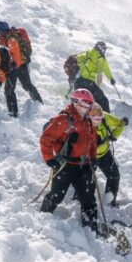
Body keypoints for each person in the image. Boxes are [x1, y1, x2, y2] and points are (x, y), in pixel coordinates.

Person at [38, 89, 100, 231]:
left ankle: (91, 228)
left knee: (88, 198)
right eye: (84, 103)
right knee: (56, 195)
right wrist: (49, 158)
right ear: (76, 102)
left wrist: (93, 158)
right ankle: (42, 218)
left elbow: (92, 141)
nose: (87, 107)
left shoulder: (87, 121)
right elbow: (46, 139)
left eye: (89, 104)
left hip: (83, 165)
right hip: (65, 164)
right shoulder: (64, 120)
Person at [0, 21, 42, 113]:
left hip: (15, 65)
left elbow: (14, 53)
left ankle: (13, 112)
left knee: (9, 90)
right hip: (21, 64)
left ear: (4, 30)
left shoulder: (11, 39)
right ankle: (38, 101)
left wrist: (13, 66)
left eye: (0, 31)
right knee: (26, 85)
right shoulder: (8, 37)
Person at [89, 104, 128, 207]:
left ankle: (109, 202)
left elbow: (120, 123)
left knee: (114, 176)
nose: (98, 121)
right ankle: (80, 201)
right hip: (89, 158)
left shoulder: (105, 117)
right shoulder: (84, 123)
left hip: (105, 154)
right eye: (95, 119)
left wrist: (114, 135)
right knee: (86, 181)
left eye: (100, 118)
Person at [72, 41, 116, 111]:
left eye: (105, 49)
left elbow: (106, 69)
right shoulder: (91, 52)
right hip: (84, 82)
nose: (104, 50)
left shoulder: (101, 58)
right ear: (99, 47)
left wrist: (111, 78)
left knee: (98, 98)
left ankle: (99, 114)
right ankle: (104, 115)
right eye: (103, 48)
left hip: (86, 82)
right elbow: (79, 58)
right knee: (101, 99)